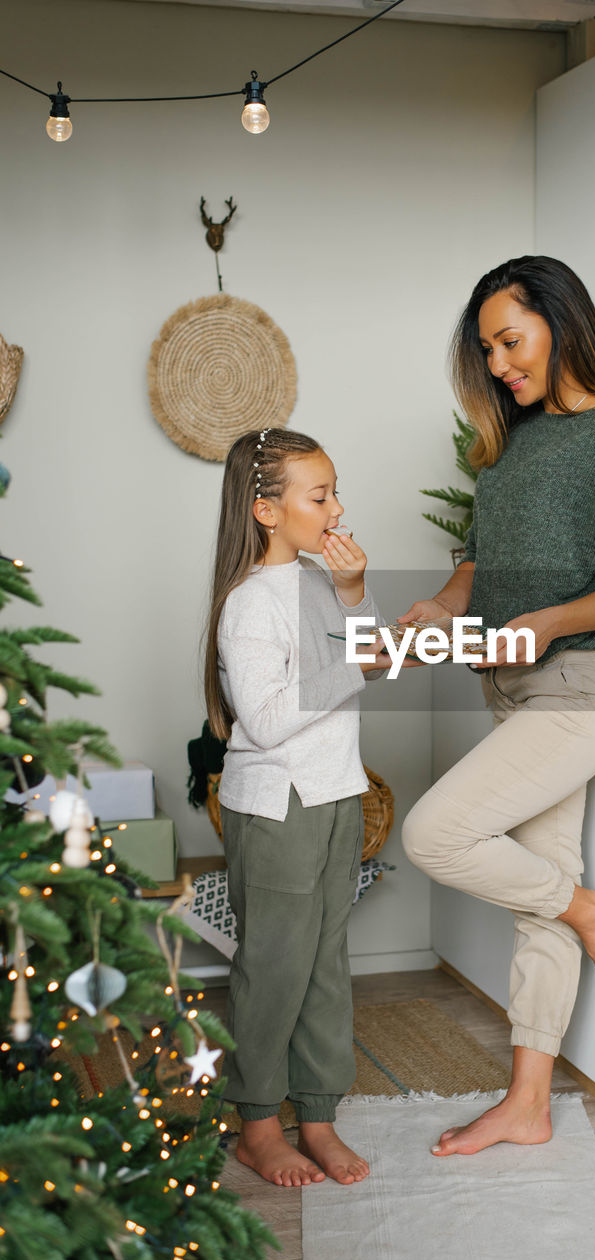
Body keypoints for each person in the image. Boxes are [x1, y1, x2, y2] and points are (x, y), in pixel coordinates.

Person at [399, 255, 595, 1157]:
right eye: (487, 351)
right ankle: (528, 1103)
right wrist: (444, 605)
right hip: (514, 686)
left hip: (582, 688)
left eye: (509, 341)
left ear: (562, 323)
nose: (499, 364)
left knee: (436, 835)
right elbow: (479, 555)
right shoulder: (512, 440)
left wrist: (550, 620)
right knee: (542, 891)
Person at [203, 426, 382, 1188]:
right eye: (321, 495)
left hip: (337, 793)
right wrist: (354, 661)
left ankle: (317, 1114)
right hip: (278, 806)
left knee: (325, 966)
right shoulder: (249, 604)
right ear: (266, 510)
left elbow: (369, 661)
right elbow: (271, 719)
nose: (337, 509)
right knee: (274, 968)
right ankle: (256, 1124)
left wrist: (353, 595)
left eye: (335, 491)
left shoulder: (316, 584)